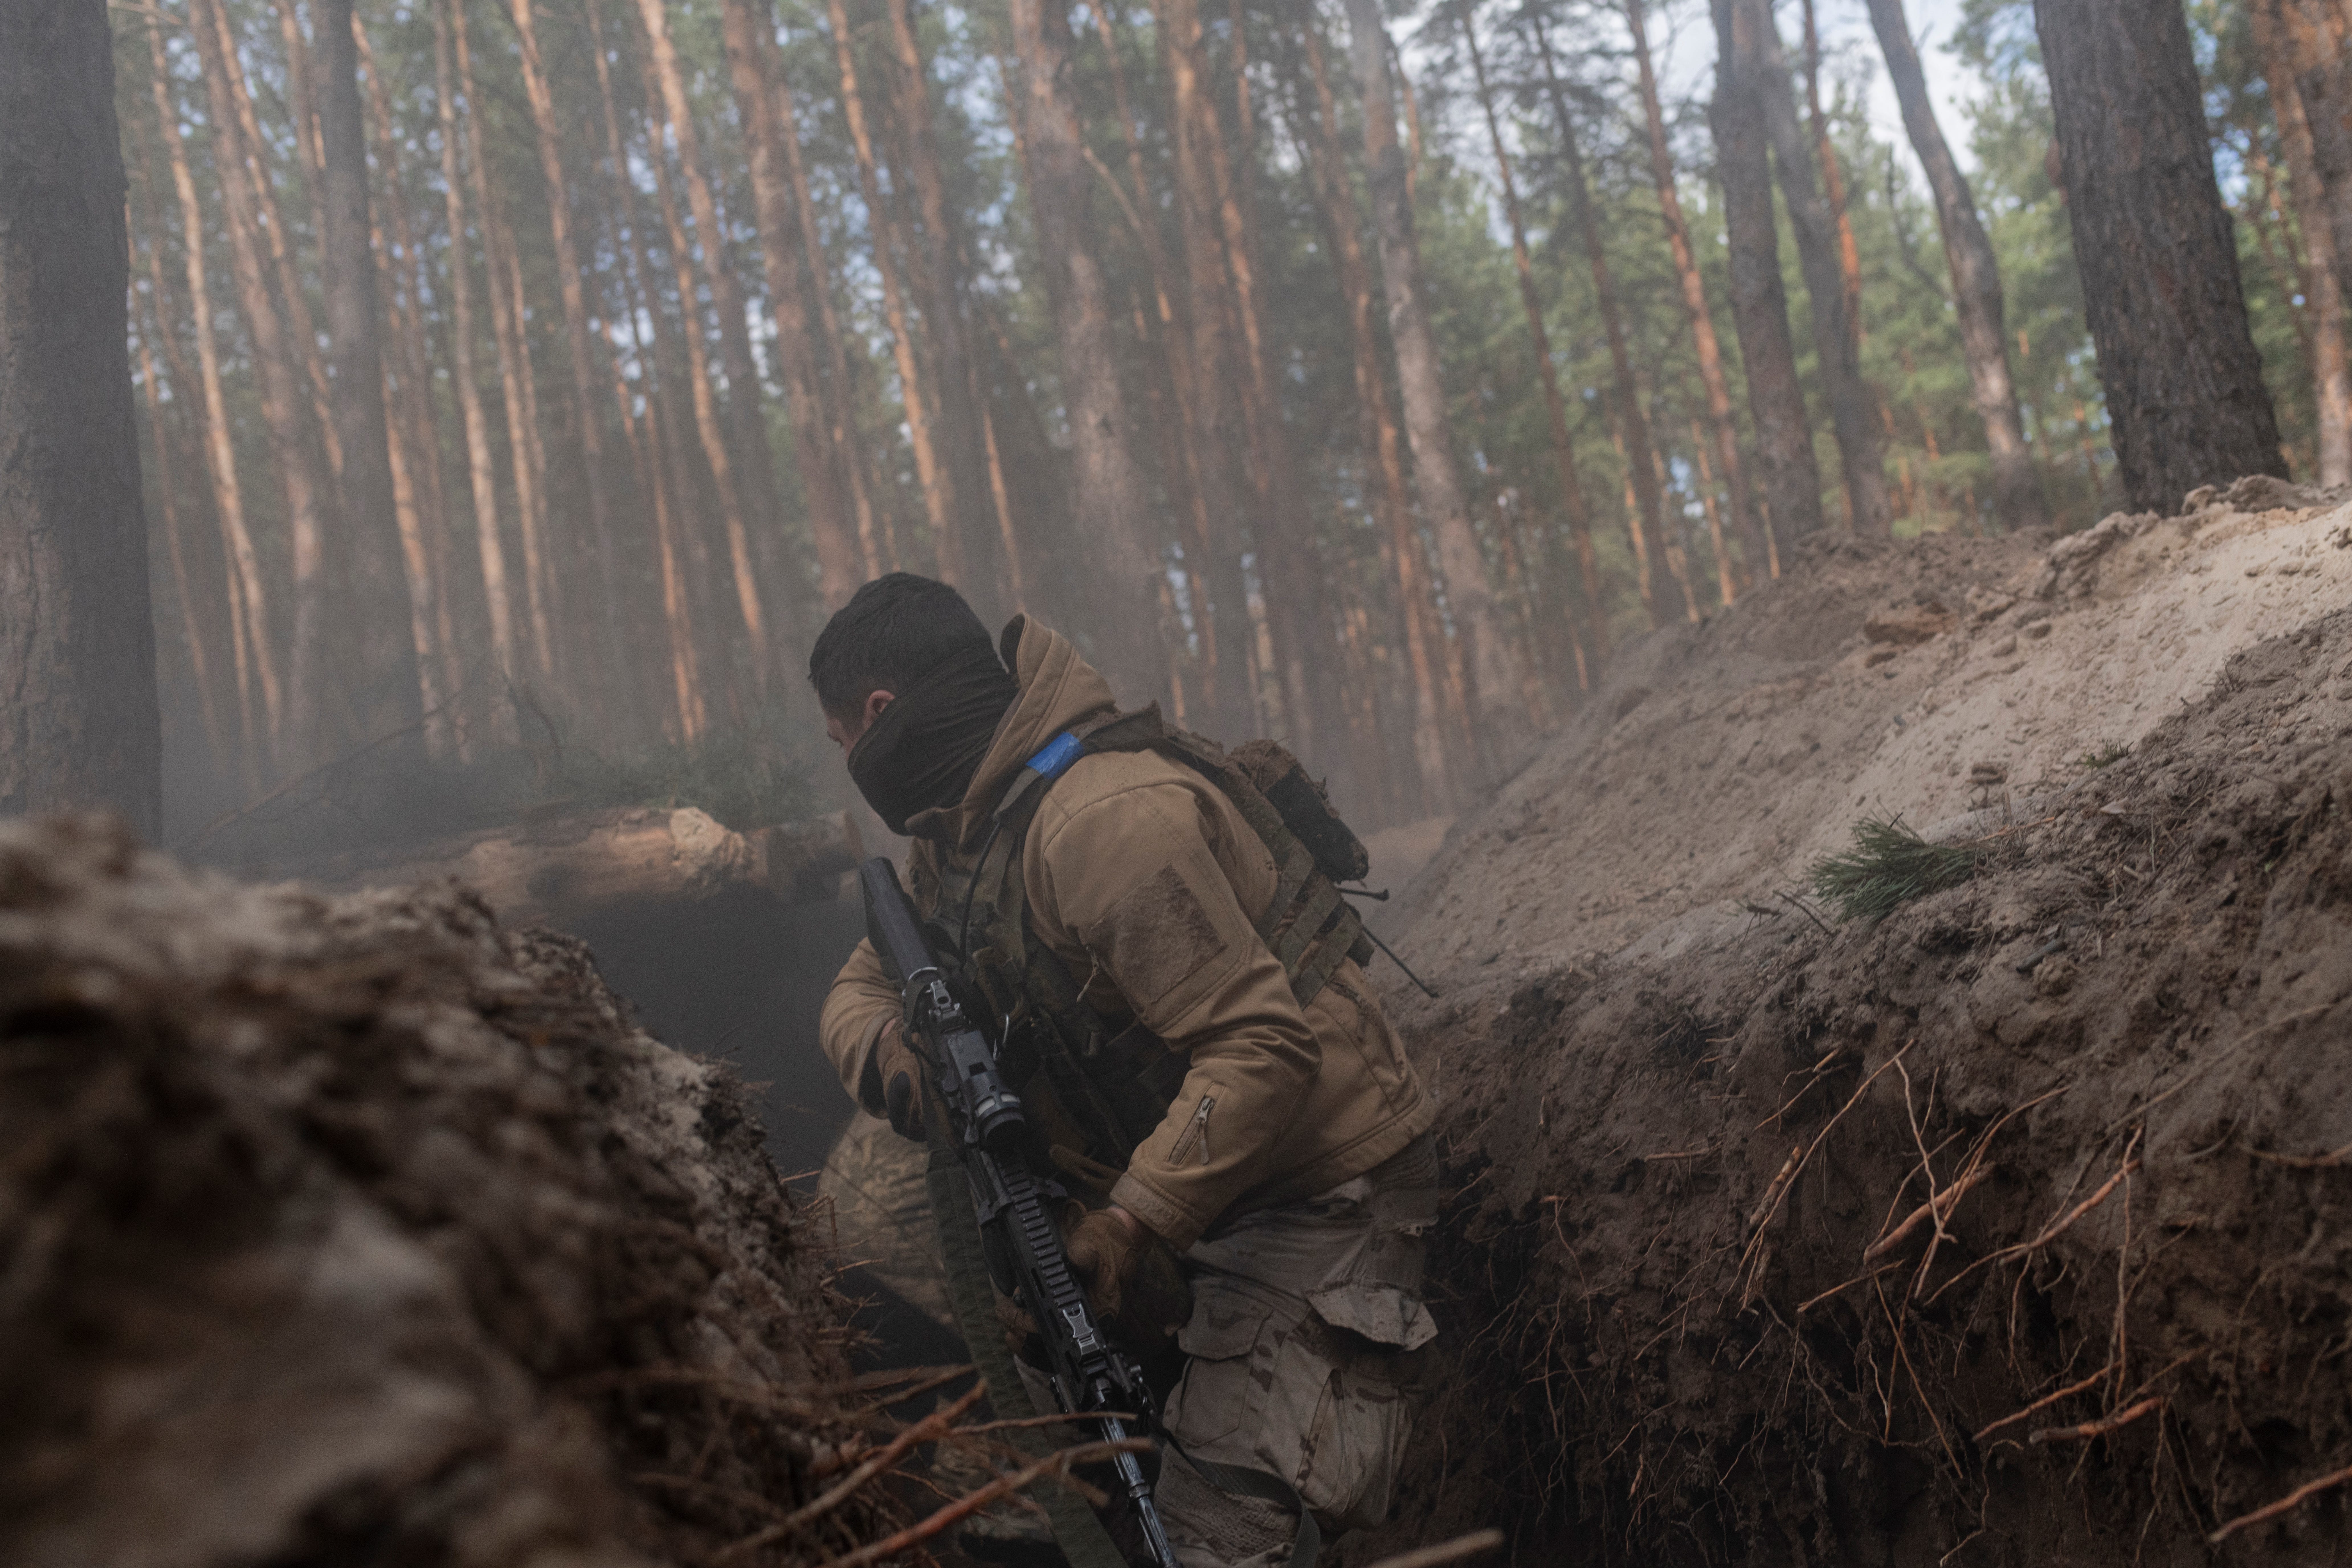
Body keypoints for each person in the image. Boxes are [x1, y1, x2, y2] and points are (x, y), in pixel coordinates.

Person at [813, 574, 1437, 1568]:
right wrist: (913, 1057)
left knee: (1199, 1543)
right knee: (1115, 1501)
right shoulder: (967, 837)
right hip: (1195, 1204)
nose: (852, 767)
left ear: (881, 715)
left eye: (843, 742)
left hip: (1315, 1193)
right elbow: (857, 991)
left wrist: (1129, 1223)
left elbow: (1262, 1051)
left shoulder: (1100, 820)